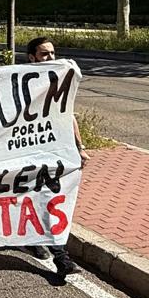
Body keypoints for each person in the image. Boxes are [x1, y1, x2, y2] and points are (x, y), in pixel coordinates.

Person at [24, 36, 86, 284]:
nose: (50, 58)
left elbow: (68, 115)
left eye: (52, 53)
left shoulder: (59, 80)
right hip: (25, 152)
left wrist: (80, 147)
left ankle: (61, 256)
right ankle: (33, 238)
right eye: (44, 54)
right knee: (29, 197)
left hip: (52, 152)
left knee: (53, 199)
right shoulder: (19, 81)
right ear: (32, 58)